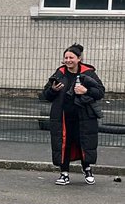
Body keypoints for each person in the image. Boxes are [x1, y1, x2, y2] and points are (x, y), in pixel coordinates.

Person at [40, 44, 105, 185]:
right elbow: (45, 95)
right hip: (63, 117)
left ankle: (87, 170)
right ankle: (64, 174)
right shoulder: (59, 73)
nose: (68, 60)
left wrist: (86, 91)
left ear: (79, 59)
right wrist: (53, 90)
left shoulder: (88, 73)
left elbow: (100, 92)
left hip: (84, 117)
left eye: (71, 57)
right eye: (66, 58)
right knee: (64, 144)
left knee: (83, 143)